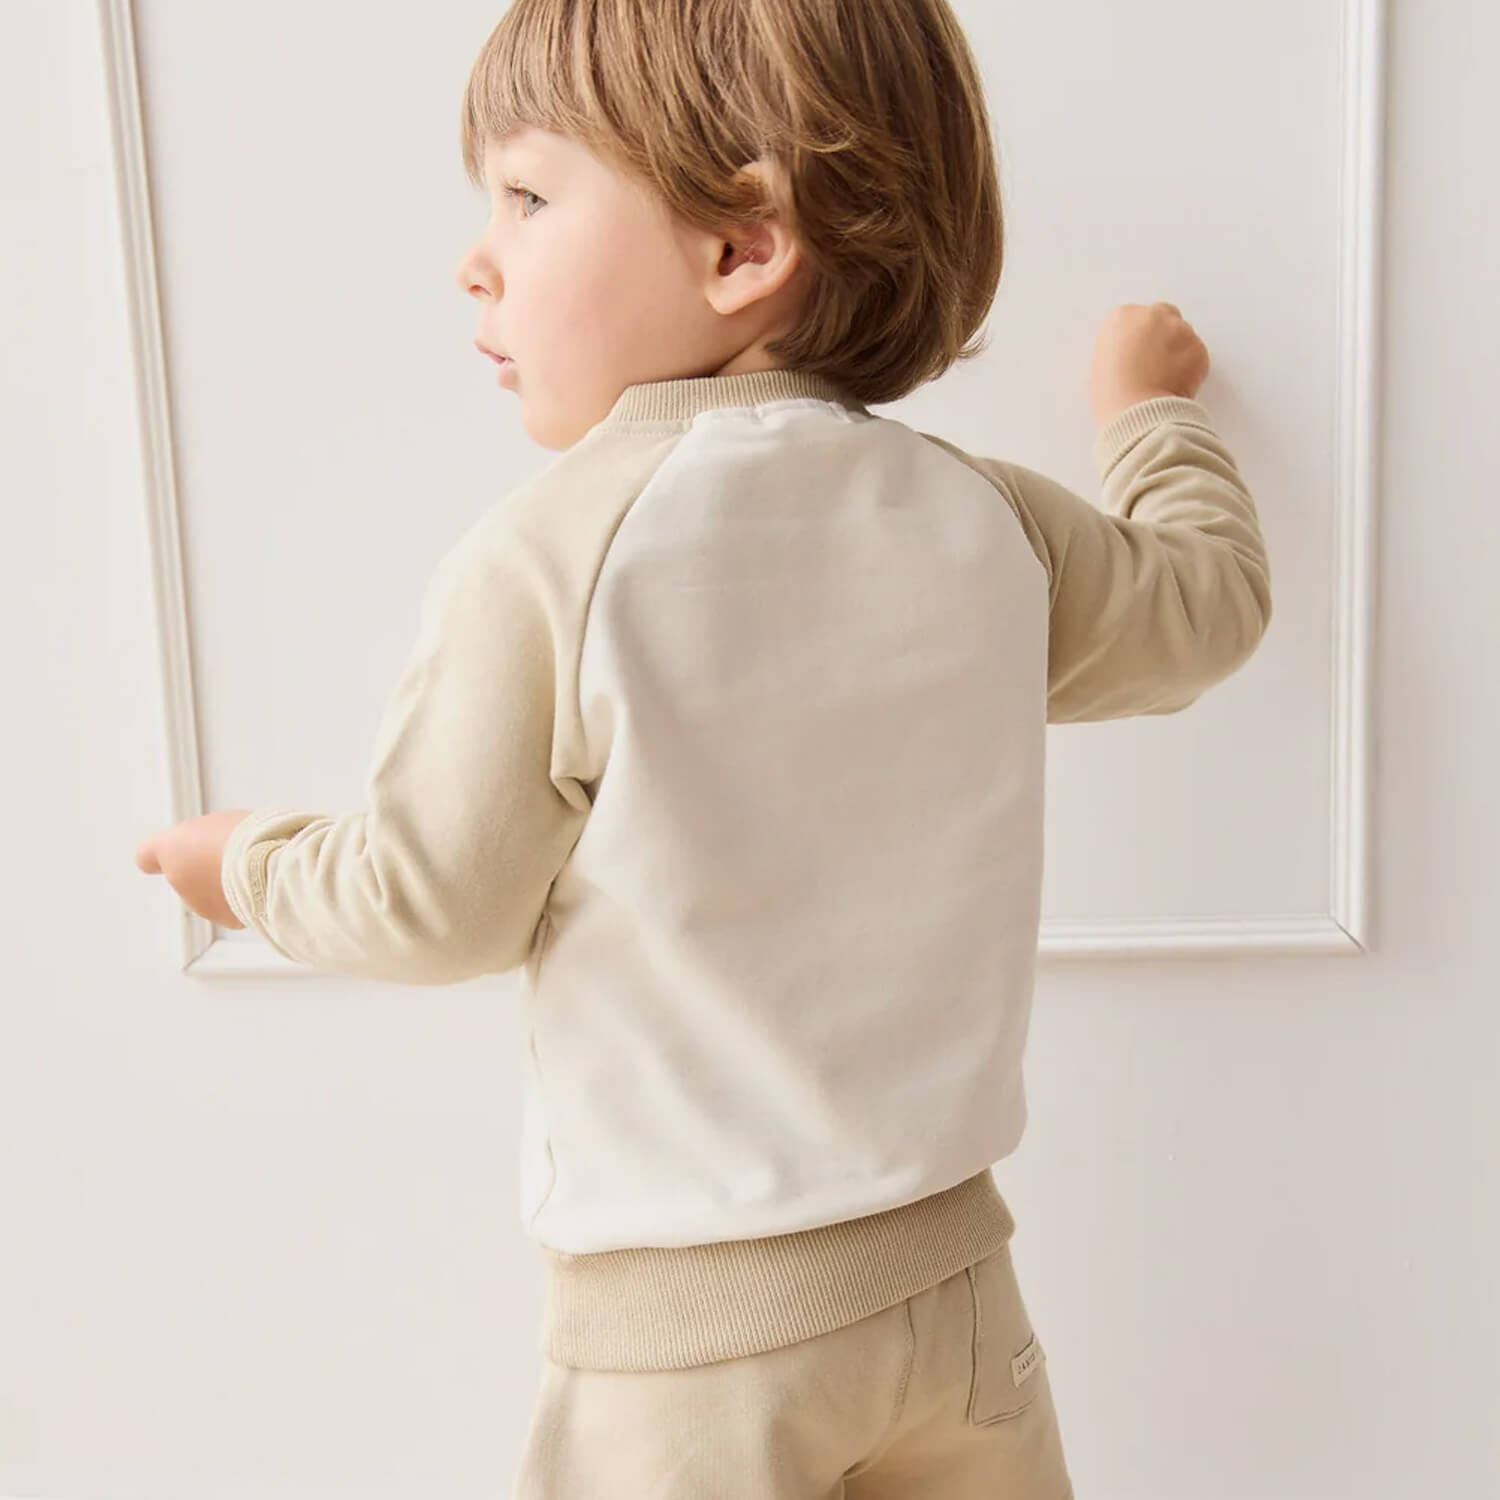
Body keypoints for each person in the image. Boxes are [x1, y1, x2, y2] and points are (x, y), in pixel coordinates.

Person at [135, 0, 1272, 1493]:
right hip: (959, 1305)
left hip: (697, 1355)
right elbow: (1208, 608)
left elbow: (433, 903)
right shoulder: (988, 522)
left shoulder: (552, 555)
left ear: (742, 245)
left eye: (526, 197)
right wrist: (1149, 416)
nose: (475, 258)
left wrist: (247, 866)